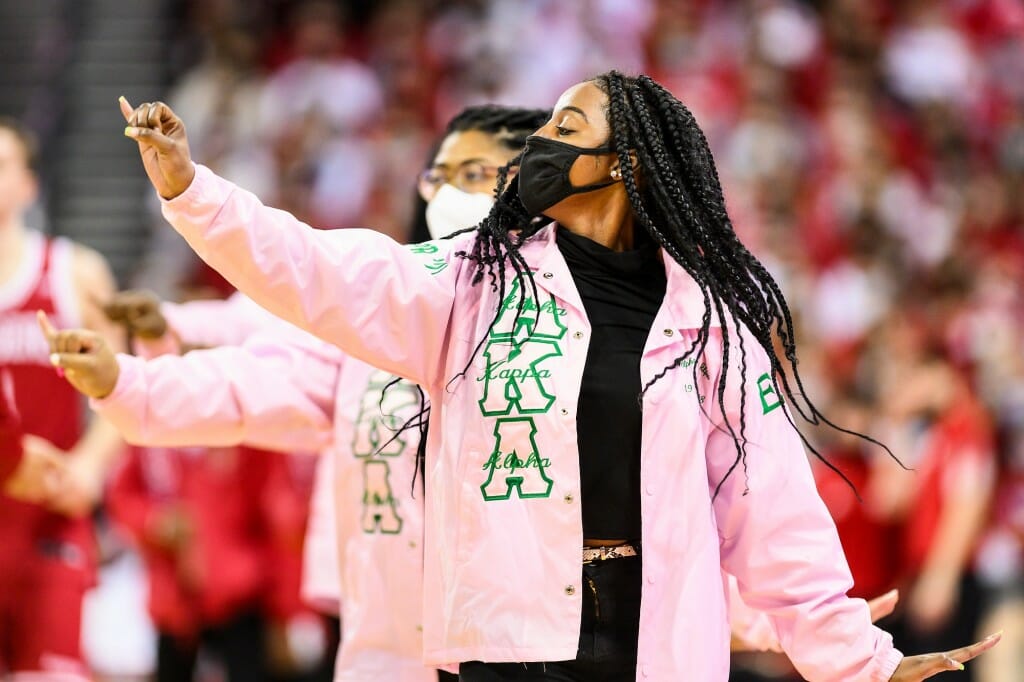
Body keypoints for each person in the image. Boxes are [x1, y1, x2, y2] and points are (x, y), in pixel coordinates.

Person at [0, 118, 125, 679]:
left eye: (2, 164)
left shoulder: (76, 272)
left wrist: (90, 467)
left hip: (49, 513)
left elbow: (126, 388)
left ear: (30, 184)